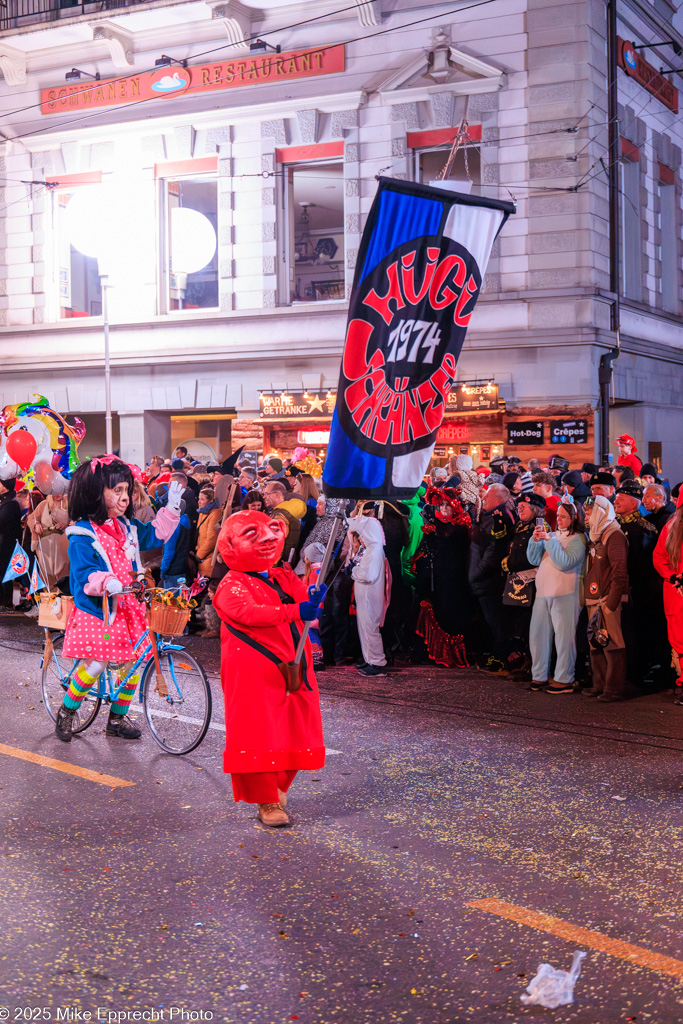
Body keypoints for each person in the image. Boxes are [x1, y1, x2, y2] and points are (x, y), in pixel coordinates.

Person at [54, 458, 181, 742]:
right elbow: (85, 572)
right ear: (95, 493)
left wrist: (172, 507)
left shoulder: (127, 526)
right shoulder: (81, 533)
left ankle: (116, 718)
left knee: (134, 664)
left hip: (128, 606)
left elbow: (156, 535)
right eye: (118, 490)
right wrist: (107, 582)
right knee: (97, 663)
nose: (125, 498)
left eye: (127, 491)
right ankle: (66, 711)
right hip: (98, 609)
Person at [213, 511, 326, 827]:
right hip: (253, 668)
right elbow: (250, 613)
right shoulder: (231, 584)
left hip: (293, 663)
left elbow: (305, 606)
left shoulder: (283, 575)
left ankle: (278, 786)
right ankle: (266, 800)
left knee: (298, 725)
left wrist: (313, 595)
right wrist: (296, 610)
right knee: (258, 730)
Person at [526, 499, 587, 693]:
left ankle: (564, 677)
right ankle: (539, 675)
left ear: (573, 518)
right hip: (543, 593)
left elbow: (565, 562)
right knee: (537, 636)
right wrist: (535, 541)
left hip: (566, 593)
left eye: (563, 516)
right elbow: (533, 559)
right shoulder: (551, 536)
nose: (558, 519)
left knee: (564, 638)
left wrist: (549, 541)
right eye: (558, 515)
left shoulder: (579, 538)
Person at [413, 487, 471, 668]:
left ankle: (450, 655)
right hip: (434, 578)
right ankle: (432, 652)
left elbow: (460, 553)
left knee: (450, 615)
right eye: (442, 505)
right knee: (433, 610)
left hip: (454, 579)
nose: (444, 509)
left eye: (448, 505)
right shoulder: (432, 525)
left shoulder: (461, 526)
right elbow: (424, 551)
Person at [582, 495, 629, 701]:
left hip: (607, 599)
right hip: (594, 599)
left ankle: (614, 689)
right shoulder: (596, 535)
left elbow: (620, 572)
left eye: (589, 512)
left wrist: (611, 603)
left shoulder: (614, 535)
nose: (586, 516)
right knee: (596, 643)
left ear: (600, 512)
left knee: (613, 644)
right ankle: (599, 685)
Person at [469, 482, 514, 675]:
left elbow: (494, 552)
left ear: (498, 499)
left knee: (497, 621)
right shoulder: (489, 516)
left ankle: (500, 658)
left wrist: (476, 574)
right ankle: (494, 654)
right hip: (484, 579)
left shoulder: (500, 517)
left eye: (487, 496)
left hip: (490, 580)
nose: (483, 498)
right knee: (491, 620)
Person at [501, 492, 545, 679]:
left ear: (534, 509)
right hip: (518, 580)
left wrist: (512, 564)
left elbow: (534, 558)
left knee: (531, 625)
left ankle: (531, 665)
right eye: (518, 507)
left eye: (523, 507)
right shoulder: (520, 526)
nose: (519, 510)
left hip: (532, 582)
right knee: (519, 623)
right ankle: (522, 661)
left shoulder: (539, 527)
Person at [347, 515, 389, 677]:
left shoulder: (374, 551)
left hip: (370, 596)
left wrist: (354, 570)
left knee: (370, 628)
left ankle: (377, 663)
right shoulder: (372, 550)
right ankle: (370, 659)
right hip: (366, 597)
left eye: (363, 535)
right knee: (364, 628)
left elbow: (367, 575)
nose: (361, 538)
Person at [652, 498, 683, 704]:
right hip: (676, 590)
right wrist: (674, 577)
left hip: (676, 588)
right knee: (679, 641)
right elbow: (659, 556)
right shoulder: (671, 528)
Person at [27, 490, 70, 591]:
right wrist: (36, 525)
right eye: (54, 492)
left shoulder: (69, 505)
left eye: (60, 491)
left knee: (64, 575)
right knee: (46, 575)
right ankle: (48, 602)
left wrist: (66, 525)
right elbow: (31, 519)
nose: (57, 495)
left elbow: (76, 522)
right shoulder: (43, 504)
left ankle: (64, 600)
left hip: (62, 546)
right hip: (45, 546)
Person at [263, 480, 307, 565]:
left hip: (276, 566)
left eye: (266, 494)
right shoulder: (288, 512)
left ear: (277, 495)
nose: (264, 497)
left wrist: (269, 567)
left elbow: (276, 545)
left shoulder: (280, 516)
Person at [0, 478, 22, 609]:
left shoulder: (11, 503)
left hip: (6, 544)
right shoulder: (5, 500)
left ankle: (6, 602)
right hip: (3, 543)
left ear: (5, 486)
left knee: (5, 572)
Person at [195, 486, 222, 576]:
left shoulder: (215, 514)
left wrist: (199, 555)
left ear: (210, 501)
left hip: (207, 559)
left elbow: (212, 539)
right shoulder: (202, 512)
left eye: (202, 499)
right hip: (201, 557)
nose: (199, 502)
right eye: (199, 499)